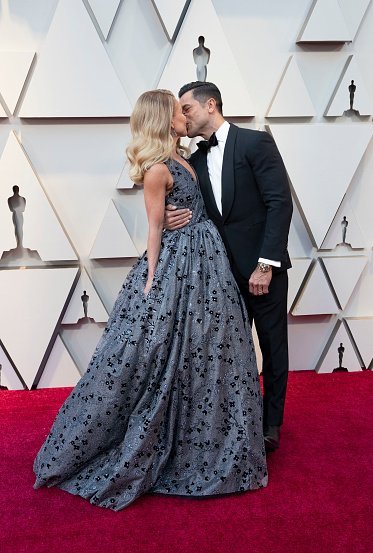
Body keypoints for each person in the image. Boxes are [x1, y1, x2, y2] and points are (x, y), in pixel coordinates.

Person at [33, 89, 267, 511]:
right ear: (163, 119)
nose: (184, 116)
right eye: (178, 112)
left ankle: (213, 439)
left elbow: (204, 204)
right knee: (157, 353)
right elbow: (154, 230)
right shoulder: (158, 169)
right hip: (179, 266)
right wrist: (153, 283)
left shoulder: (184, 160)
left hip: (208, 262)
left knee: (212, 351)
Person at [165, 82, 293, 451]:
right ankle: (236, 422)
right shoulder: (196, 160)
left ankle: (270, 426)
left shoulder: (255, 143)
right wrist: (170, 216)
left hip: (262, 270)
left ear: (211, 105)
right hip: (219, 273)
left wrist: (265, 265)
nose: (182, 117)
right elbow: (195, 209)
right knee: (228, 352)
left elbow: (279, 204)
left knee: (272, 347)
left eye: (186, 109)